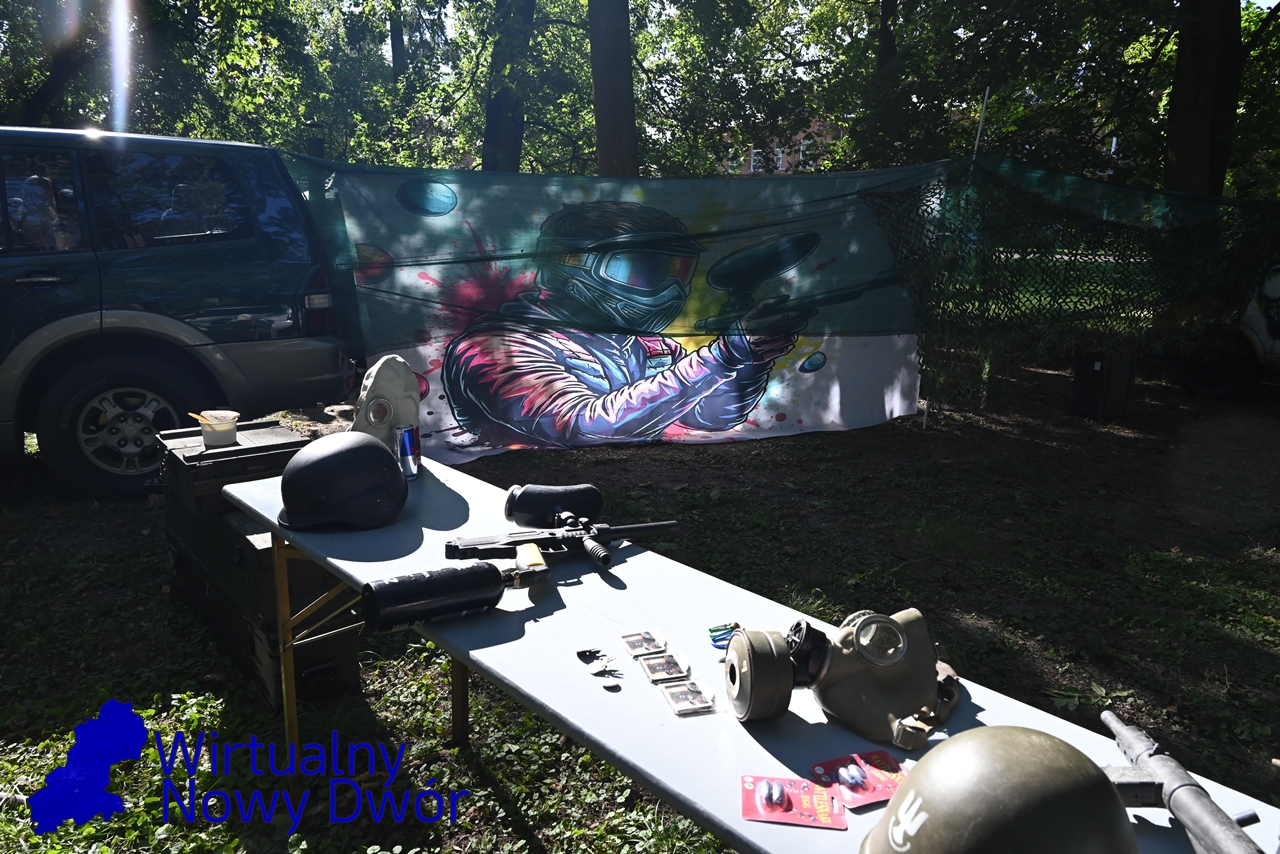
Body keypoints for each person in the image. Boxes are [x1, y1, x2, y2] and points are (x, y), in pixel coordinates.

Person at [442, 200, 812, 448]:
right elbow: (581, 426)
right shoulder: (495, 347)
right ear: (565, 264)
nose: (669, 289)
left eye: (678, 272)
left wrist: (752, 359)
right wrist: (723, 356)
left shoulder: (645, 344)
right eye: (640, 270)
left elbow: (709, 417)